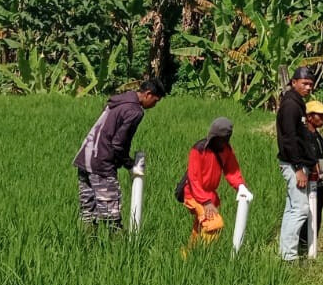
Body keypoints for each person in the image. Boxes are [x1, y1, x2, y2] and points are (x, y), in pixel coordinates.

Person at [73, 79, 166, 230]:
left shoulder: (117, 101)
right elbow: (119, 143)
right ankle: (117, 244)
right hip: (101, 163)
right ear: (148, 94)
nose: (154, 105)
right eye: (155, 101)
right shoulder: (134, 111)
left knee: (88, 213)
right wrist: (129, 164)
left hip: (85, 158)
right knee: (111, 216)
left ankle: (85, 242)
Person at [178, 117, 252, 253]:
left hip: (209, 196)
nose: (223, 142)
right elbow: (194, 180)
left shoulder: (226, 150)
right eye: (221, 139)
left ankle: (187, 256)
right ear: (214, 137)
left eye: (226, 139)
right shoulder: (199, 149)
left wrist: (240, 186)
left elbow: (232, 171)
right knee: (214, 224)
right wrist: (206, 202)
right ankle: (202, 255)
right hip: (193, 194)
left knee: (199, 229)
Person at [276, 67, 318, 261]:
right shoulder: (291, 106)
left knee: (292, 207)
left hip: (298, 163)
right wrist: (299, 168)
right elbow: (289, 140)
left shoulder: (297, 103)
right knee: (300, 209)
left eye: (311, 84)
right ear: (294, 82)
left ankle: (285, 252)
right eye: (305, 83)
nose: (308, 87)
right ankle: (289, 257)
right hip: (294, 165)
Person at [297, 99, 323, 253]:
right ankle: (302, 250)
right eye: (320, 115)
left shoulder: (317, 136)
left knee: (315, 219)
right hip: (308, 185)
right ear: (309, 117)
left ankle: (310, 250)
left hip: (319, 186)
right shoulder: (305, 137)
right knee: (306, 218)